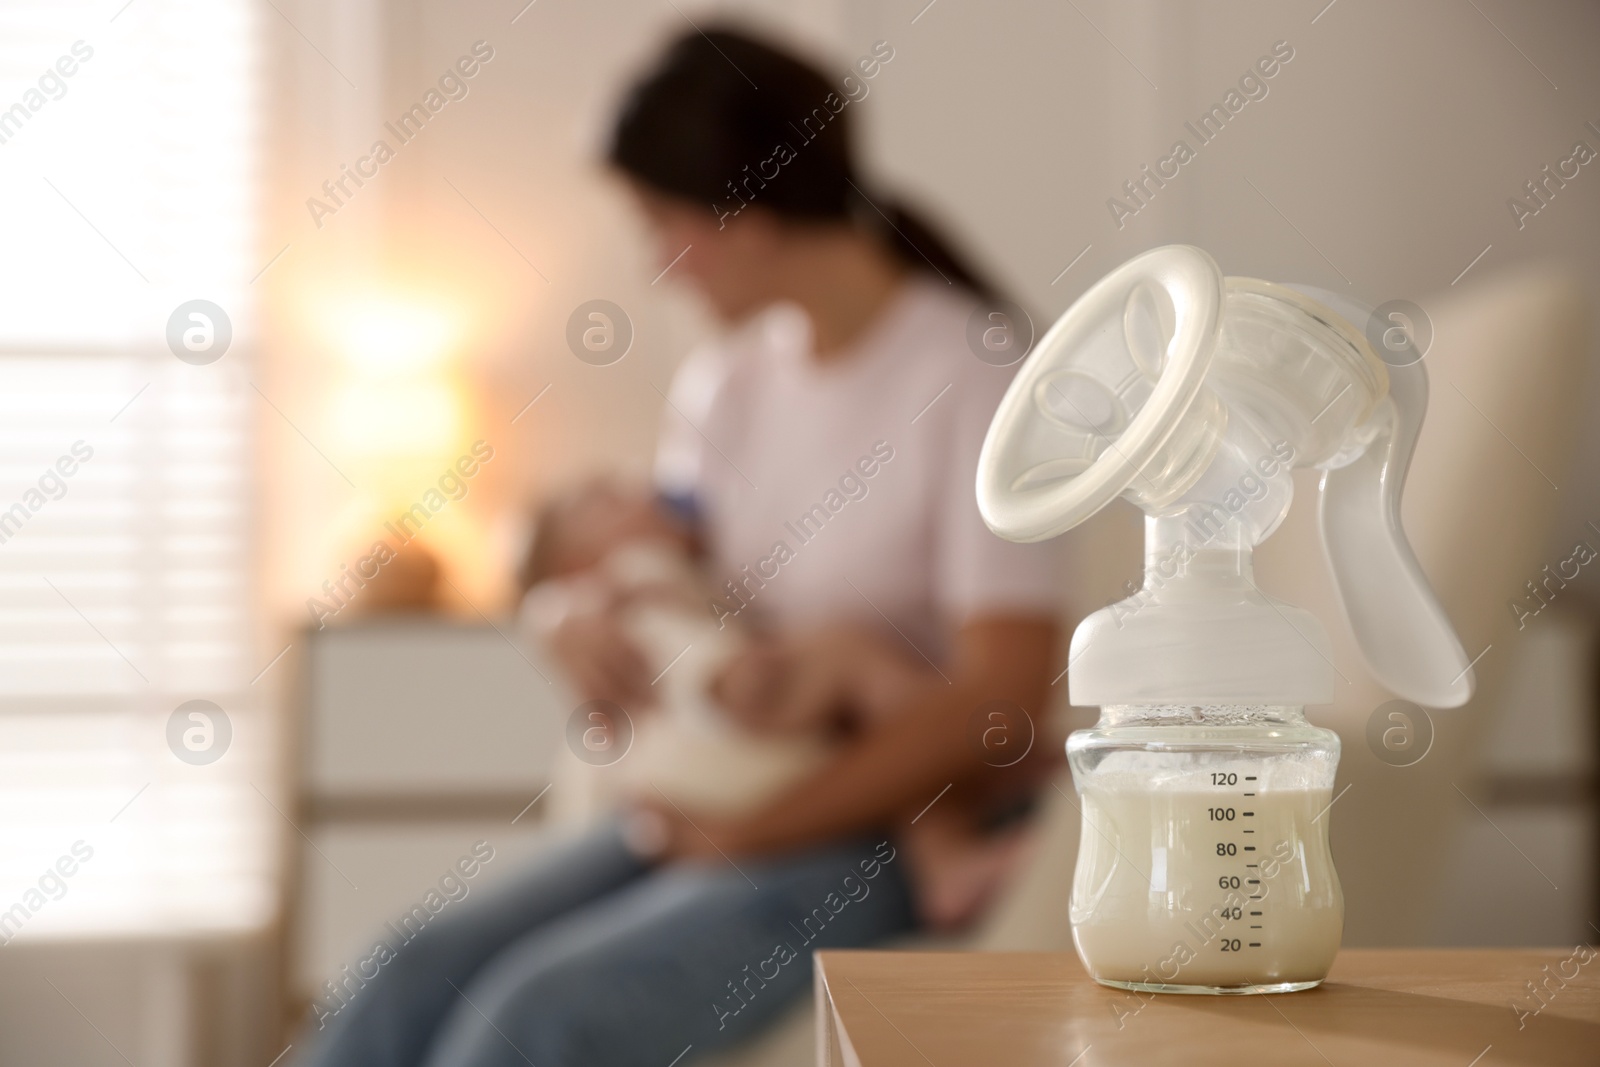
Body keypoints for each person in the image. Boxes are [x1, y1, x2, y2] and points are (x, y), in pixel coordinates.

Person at [297, 26, 1064, 1067]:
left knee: (540, 1019)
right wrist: (563, 617)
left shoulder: (974, 372)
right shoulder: (729, 384)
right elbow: (659, 563)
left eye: (661, 223)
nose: (657, 265)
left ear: (745, 218)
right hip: (731, 783)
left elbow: (1000, 696)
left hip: (882, 815)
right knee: (408, 969)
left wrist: (761, 830)